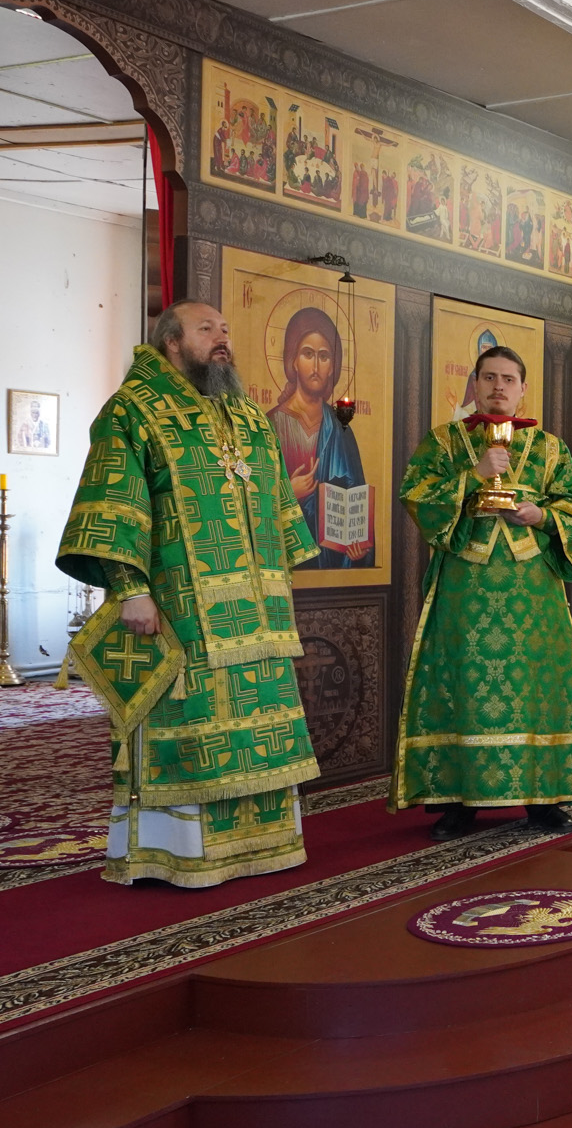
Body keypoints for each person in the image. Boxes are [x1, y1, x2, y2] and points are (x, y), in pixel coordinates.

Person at [56, 301, 320, 886]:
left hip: (258, 614)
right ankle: (176, 854)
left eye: (225, 329)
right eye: (206, 330)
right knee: (190, 725)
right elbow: (114, 503)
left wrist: (278, 577)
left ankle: (263, 844)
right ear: (172, 342)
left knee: (260, 724)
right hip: (181, 609)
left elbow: (276, 499)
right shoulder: (133, 410)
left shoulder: (244, 414)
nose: (222, 338)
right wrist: (131, 589)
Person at [393, 345, 572, 839]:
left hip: (533, 592)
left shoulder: (549, 448)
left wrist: (541, 515)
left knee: (536, 689)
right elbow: (416, 497)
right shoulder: (444, 443)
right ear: (475, 385)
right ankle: (458, 800)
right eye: (489, 378)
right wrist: (475, 475)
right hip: (465, 590)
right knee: (463, 686)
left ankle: (543, 799)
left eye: (508, 379)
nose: (499, 387)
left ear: (523, 389)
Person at [267, 306, 370, 568]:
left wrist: (356, 544)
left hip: (333, 560)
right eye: (307, 354)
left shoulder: (341, 428)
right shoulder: (271, 424)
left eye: (324, 356)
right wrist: (289, 492)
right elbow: (250, 498)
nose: (315, 366)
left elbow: (356, 498)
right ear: (293, 361)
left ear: (333, 366)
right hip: (287, 554)